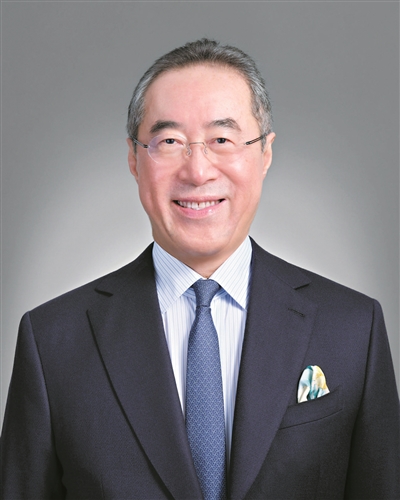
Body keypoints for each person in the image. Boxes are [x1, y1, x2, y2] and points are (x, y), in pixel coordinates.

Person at [1, 38, 399, 500]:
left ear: (265, 153)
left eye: (222, 140)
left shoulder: (352, 329)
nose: (197, 171)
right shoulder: (53, 342)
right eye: (169, 141)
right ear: (134, 159)